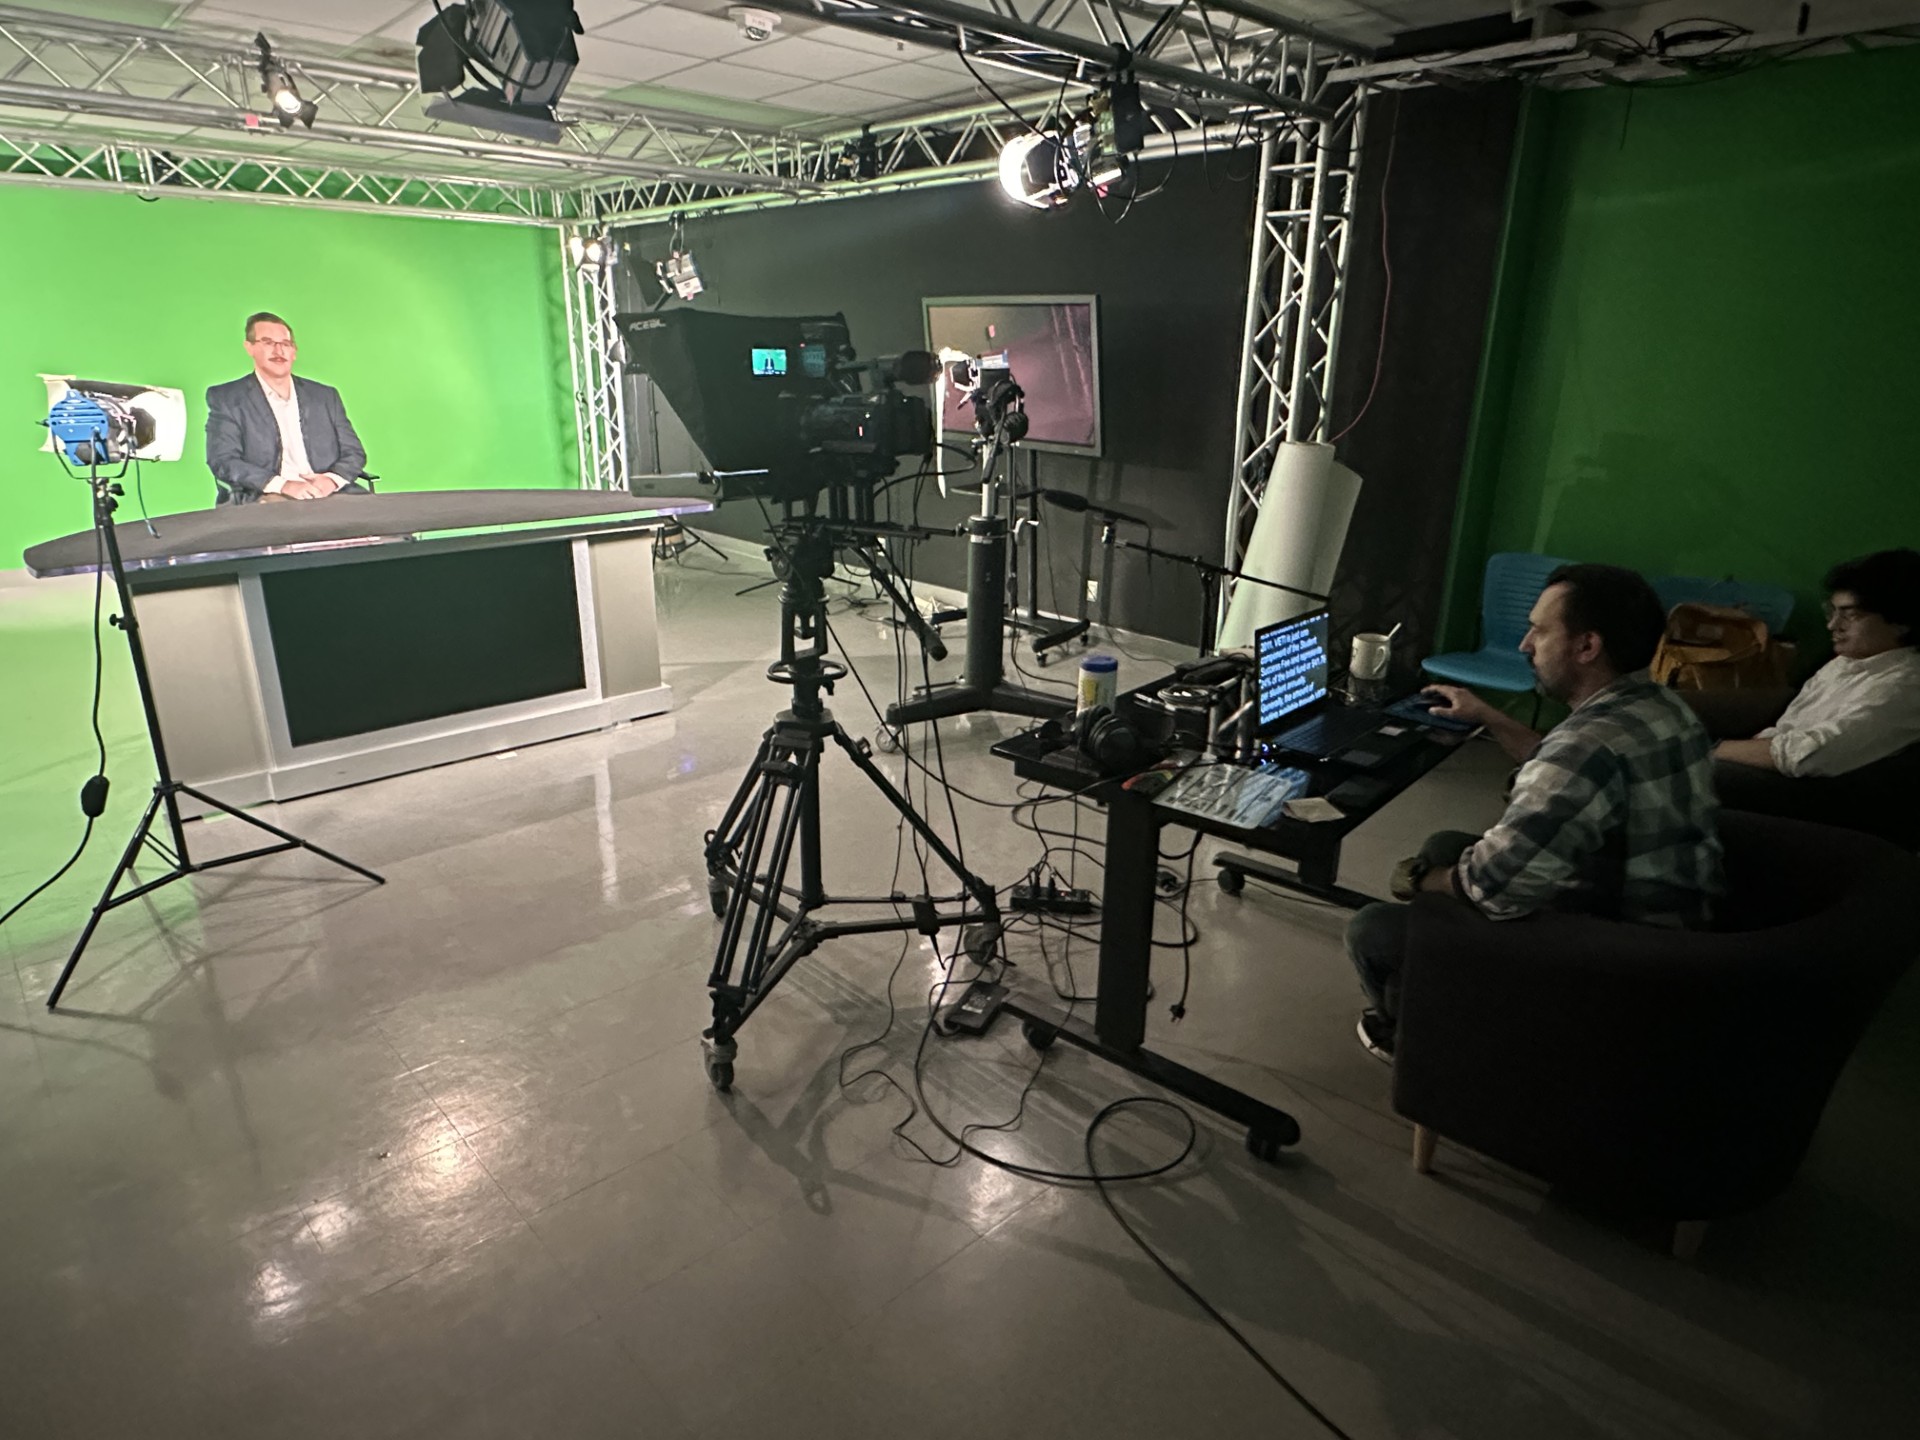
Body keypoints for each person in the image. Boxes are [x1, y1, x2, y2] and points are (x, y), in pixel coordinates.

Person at [1345, 563, 1724, 1061]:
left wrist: (1419, 879)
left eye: (1540, 631)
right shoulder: (1658, 706)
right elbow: (1571, 772)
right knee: (1445, 843)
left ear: (1586, 647)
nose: (1525, 645)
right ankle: (1436, 996)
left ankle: (1423, 1041)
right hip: (1675, 928)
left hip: (1617, 959)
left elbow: (1494, 886)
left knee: (1374, 927)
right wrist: (1486, 715)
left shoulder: (1584, 747)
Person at [1712, 548, 1920, 780]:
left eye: (1850, 615)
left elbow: (1810, 755)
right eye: (1832, 612)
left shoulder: (1903, 688)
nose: (1832, 625)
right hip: (1774, 762)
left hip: (1817, 790)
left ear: (1901, 622)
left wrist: (1712, 750)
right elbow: (1788, 729)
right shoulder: (1846, 663)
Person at [205, 312, 368, 505]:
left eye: (285, 344)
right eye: (268, 342)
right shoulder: (228, 398)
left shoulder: (324, 396)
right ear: (249, 348)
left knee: (381, 519)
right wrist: (283, 485)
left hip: (329, 493)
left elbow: (354, 453)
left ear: (294, 351)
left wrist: (331, 480)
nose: (278, 350)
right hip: (265, 495)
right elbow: (223, 461)